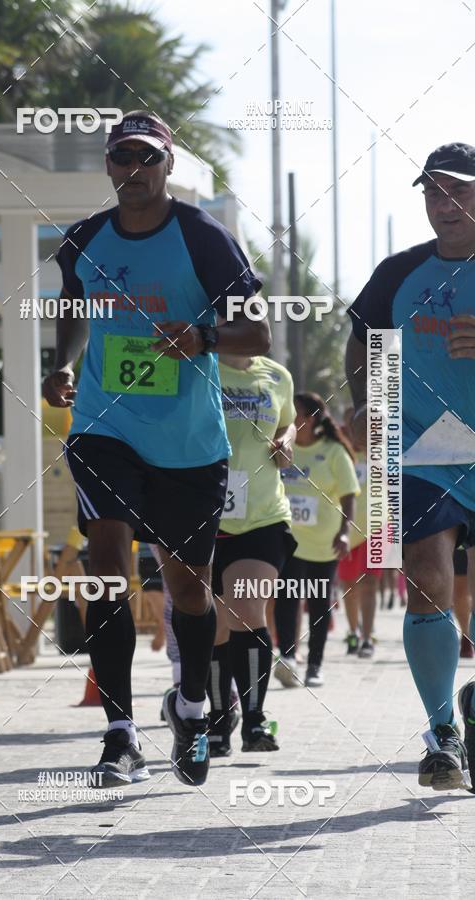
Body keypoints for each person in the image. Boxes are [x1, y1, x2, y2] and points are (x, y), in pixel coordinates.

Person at [43, 110, 269, 788]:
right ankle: (119, 734)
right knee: (107, 561)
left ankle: (192, 710)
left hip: (189, 440)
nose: (133, 172)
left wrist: (201, 337)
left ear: (168, 165)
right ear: (109, 167)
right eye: (121, 159)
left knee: (187, 587)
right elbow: (75, 313)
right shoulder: (84, 241)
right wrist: (63, 366)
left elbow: (255, 338)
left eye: (146, 159)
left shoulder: (204, 238)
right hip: (104, 427)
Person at [345, 142, 475, 790]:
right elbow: (365, 346)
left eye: (458, 191)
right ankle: (441, 731)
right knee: (427, 580)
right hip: (429, 446)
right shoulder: (398, 274)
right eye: (432, 192)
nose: (444, 205)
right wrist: (366, 403)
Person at [206, 351, 297, 756]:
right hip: (203, 513)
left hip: (263, 514)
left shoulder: (277, 374)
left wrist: (288, 440)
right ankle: (219, 713)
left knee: (246, 609)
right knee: (214, 623)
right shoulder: (199, 365)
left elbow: (288, 420)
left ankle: (256, 718)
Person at [275, 392, 359, 688]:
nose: (289, 418)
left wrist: (345, 532)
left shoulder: (334, 452)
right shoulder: (282, 448)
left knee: (318, 604)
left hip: (324, 543)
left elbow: (350, 495)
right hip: (288, 539)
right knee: (286, 599)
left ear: (310, 419)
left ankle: (315, 665)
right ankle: (286, 658)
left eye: (295, 413)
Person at [339, 407, 381, 658]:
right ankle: (353, 632)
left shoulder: (381, 453)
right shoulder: (339, 451)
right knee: (348, 586)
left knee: (369, 583)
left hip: (377, 525)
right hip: (344, 525)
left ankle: (367, 638)